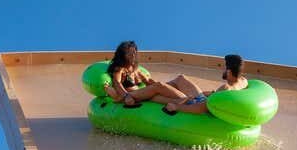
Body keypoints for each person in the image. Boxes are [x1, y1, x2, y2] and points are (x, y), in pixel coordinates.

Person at [105, 54, 248, 112]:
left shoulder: (225, 88)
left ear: (229, 71)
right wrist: (210, 94)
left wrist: (177, 107)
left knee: (156, 93)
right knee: (180, 78)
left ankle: (121, 97)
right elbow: (214, 98)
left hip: (193, 103)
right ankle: (154, 88)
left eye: (224, 68)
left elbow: (201, 109)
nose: (223, 70)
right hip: (202, 98)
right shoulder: (243, 81)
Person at [104, 42, 188, 106]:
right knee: (159, 86)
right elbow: (117, 83)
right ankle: (187, 101)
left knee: (179, 79)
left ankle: (189, 99)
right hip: (131, 95)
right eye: (129, 53)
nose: (133, 55)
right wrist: (126, 96)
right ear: (122, 55)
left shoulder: (136, 70)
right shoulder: (120, 68)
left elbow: (148, 81)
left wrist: (167, 87)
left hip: (143, 93)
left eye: (134, 53)